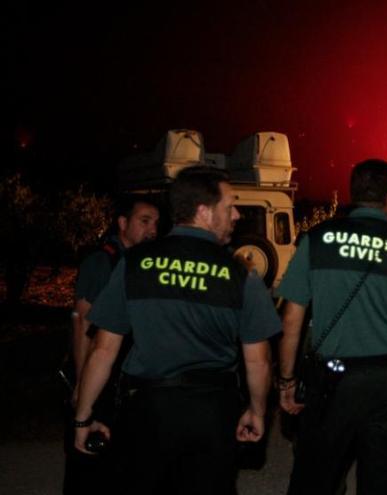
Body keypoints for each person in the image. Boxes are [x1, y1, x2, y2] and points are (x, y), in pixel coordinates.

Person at [72, 166, 280, 495]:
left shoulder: (135, 263)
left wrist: (83, 417)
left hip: (147, 411)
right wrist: (257, 410)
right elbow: (258, 361)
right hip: (213, 413)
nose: (236, 215)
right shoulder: (242, 274)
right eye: (229, 206)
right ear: (203, 211)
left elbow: (102, 349)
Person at [277, 159, 387, 494]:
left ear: (353, 195)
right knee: (382, 483)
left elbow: (292, 319)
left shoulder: (317, 240)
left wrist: (287, 380)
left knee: (315, 480)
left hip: (330, 384)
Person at [65, 196, 159, 495]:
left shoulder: (142, 265)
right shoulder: (102, 261)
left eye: (156, 223)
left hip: (124, 380)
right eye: (144, 221)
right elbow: (82, 322)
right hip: (98, 377)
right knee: (88, 464)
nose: (152, 229)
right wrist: (82, 385)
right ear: (122, 223)